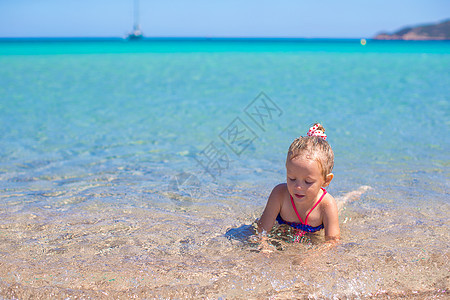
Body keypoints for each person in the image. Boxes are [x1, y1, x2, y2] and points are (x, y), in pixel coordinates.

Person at [257, 123, 340, 243]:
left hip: (312, 235)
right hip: (284, 230)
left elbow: (332, 241)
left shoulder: (326, 205)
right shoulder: (280, 194)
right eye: (291, 178)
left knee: (341, 204)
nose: (298, 187)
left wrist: (310, 256)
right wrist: (264, 247)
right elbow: (261, 231)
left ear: (326, 180)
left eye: (308, 181)